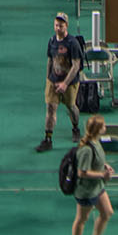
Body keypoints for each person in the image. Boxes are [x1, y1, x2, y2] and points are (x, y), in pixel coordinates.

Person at [39, 13, 86, 151]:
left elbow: (76, 65)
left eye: (61, 25)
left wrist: (65, 83)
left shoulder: (73, 43)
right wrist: (48, 78)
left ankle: (76, 127)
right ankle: (48, 138)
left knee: (71, 107)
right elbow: (50, 60)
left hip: (70, 82)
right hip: (53, 81)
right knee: (50, 108)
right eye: (56, 25)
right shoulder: (52, 41)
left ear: (66, 26)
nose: (58, 28)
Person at [70, 115, 113, 235]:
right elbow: (82, 172)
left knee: (107, 212)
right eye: (103, 126)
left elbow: (97, 160)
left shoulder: (96, 142)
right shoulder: (86, 149)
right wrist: (102, 174)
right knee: (81, 220)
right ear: (97, 129)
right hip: (86, 191)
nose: (105, 127)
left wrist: (104, 166)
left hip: (98, 187)